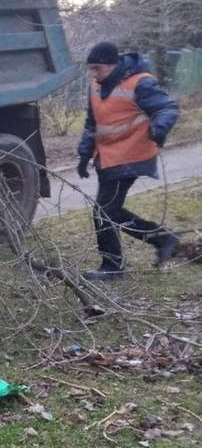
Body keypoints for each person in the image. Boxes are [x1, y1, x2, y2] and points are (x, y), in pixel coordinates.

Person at [77, 41, 180, 282]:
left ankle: (112, 266)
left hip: (133, 155)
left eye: (97, 68)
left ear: (112, 66)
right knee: (109, 211)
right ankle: (163, 239)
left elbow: (168, 108)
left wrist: (159, 128)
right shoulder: (95, 85)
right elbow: (92, 124)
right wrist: (84, 154)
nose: (93, 74)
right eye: (90, 69)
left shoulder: (139, 82)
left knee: (104, 211)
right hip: (108, 157)